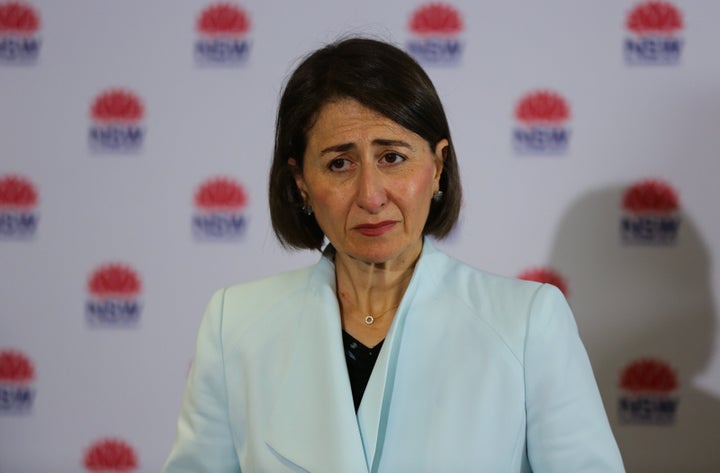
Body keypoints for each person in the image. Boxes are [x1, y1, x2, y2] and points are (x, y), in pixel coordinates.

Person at [163, 37, 625, 472]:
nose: (370, 195)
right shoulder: (235, 326)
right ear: (301, 183)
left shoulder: (526, 324)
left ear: (438, 166)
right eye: (339, 163)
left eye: (392, 157)